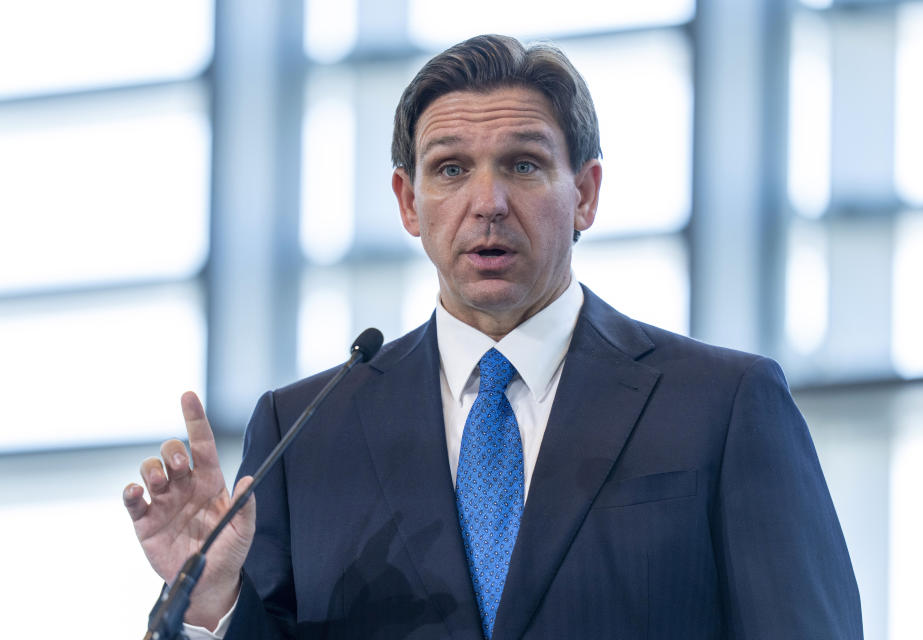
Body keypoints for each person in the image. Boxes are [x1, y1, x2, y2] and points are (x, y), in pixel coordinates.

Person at [124, 34, 863, 639]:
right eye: (451, 169)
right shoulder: (304, 433)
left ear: (587, 193)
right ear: (410, 203)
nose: (488, 203)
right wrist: (209, 605)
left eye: (524, 164)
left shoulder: (723, 405)